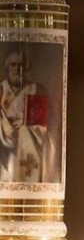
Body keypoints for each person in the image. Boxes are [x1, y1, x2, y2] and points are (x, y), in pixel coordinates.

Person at [0, 47, 57, 183]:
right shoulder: (1, 89)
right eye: (13, 65)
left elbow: (46, 125)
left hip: (29, 148)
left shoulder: (37, 90)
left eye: (21, 65)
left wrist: (25, 127)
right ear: (7, 67)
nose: (17, 69)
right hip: (4, 152)